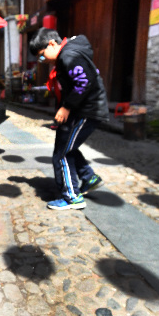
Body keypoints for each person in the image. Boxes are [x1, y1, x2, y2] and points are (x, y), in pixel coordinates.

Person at [29, 28, 109, 210]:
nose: (42, 61)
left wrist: (67, 107)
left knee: (62, 153)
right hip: (82, 110)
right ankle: (89, 178)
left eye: (42, 56)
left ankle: (72, 197)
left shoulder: (68, 55)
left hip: (87, 111)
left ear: (51, 44)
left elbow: (83, 82)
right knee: (66, 146)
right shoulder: (67, 54)